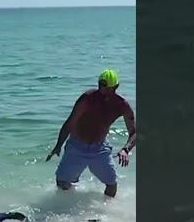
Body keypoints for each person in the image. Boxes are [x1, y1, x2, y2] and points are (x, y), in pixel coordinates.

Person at [46, 69, 136, 198]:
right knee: (62, 182)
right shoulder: (87, 99)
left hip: (100, 148)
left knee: (112, 184)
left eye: (106, 87)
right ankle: (69, 207)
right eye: (100, 85)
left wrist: (126, 150)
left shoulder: (122, 105)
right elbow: (70, 122)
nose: (102, 89)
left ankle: (106, 213)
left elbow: (134, 132)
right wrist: (58, 145)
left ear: (115, 87)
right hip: (77, 145)